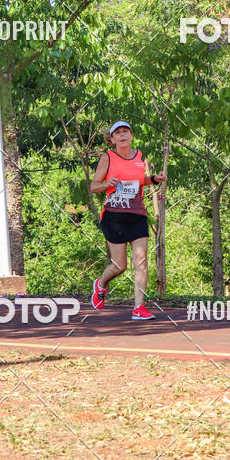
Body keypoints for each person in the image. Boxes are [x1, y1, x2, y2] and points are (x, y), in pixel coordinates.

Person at [90, 120, 167, 320]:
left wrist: (155, 179)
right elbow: (94, 186)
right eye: (118, 133)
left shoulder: (140, 157)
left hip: (137, 214)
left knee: (141, 261)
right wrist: (107, 183)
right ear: (112, 139)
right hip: (114, 215)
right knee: (119, 265)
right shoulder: (108, 158)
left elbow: (140, 181)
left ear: (131, 136)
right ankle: (101, 285)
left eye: (126, 132)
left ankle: (138, 308)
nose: (123, 135)